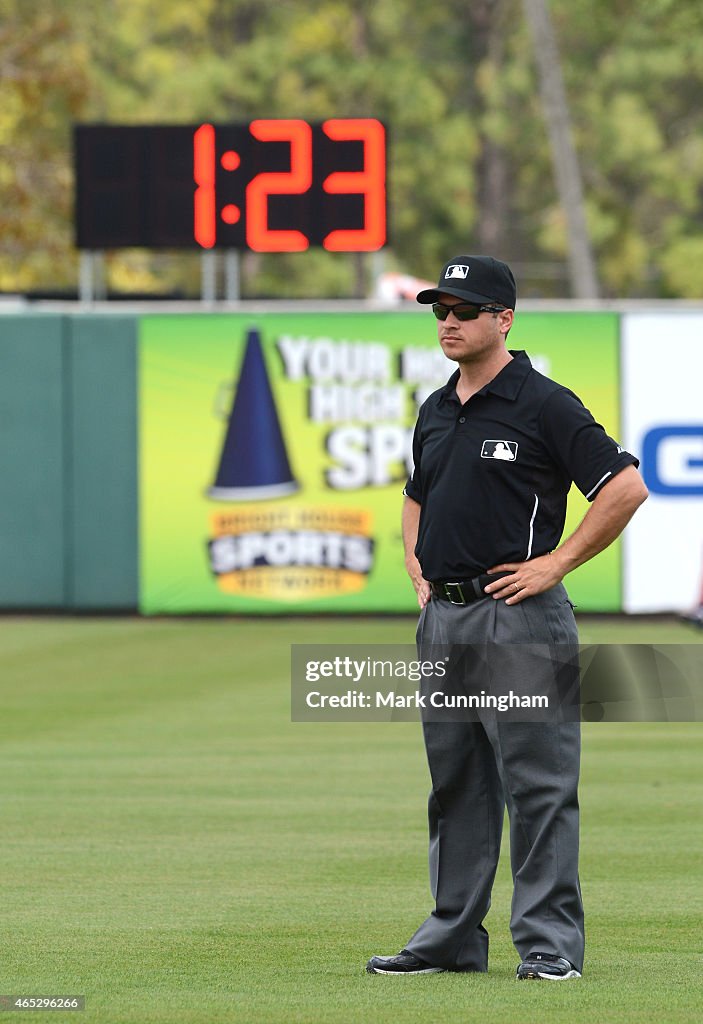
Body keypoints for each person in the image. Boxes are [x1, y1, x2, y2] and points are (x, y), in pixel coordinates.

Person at [366, 255, 648, 981]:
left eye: (464, 311)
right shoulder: (436, 408)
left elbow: (623, 487)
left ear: (504, 319)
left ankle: (548, 946)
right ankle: (452, 938)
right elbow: (415, 493)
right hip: (447, 622)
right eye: (440, 311)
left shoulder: (543, 403)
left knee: (537, 786)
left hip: (518, 618)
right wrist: (415, 565)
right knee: (456, 786)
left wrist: (554, 564)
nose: (449, 323)